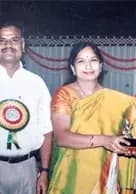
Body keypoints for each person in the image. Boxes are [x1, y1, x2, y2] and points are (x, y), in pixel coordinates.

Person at [48, 41, 136, 194]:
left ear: (101, 66)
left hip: (103, 178)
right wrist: (105, 140)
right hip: (70, 176)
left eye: (93, 60)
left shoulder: (114, 100)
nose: (88, 66)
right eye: (81, 61)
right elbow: (62, 137)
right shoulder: (64, 94)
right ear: (73, 68)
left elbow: (134, 129)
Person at [0, 23, 53, 194]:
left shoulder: (36, 83)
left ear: (22, 46)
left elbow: (47, 131)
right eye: (2, 40)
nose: (8, 45)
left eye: (14, 40)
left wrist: (44, 171)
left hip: (27, 168)